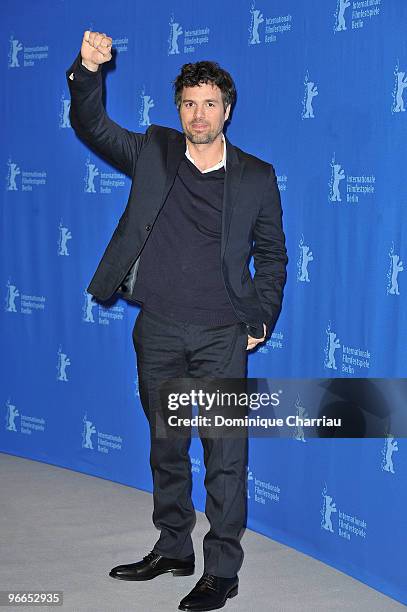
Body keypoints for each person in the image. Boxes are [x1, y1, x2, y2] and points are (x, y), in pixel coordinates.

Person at [67, 30, 288, 612]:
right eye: (189, 103)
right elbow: (93, 126)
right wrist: (88, 73)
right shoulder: (154, 152)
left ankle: (221, 570)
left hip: (222, 337)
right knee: (166, 445)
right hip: (159, 329)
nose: (198, 113)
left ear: (227, 110)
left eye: (209, 103)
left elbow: (273, 255)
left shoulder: (255, 177)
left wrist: (261, 315)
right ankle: (173, 547)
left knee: (224, 456)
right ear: (179, 109)